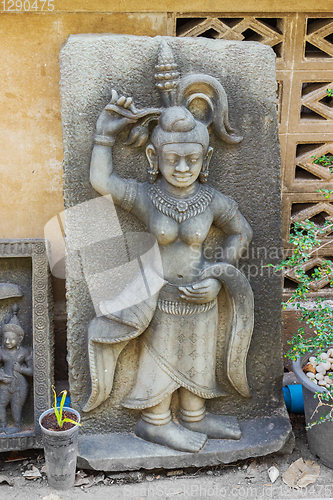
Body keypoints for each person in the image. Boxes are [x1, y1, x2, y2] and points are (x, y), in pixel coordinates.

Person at [84, 41, 254, 453]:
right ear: (152, 155)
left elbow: (241, 232)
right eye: (171, 160)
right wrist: (103, 137)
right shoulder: (145, 196)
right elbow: (102, 183)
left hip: (202, 297)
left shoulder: (213, 200)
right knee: (159, 363)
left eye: (191, 161)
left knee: (198, 361)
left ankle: (195, 415)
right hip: (157, 298)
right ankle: (154, 421)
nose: (181, 169)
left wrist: (219, 275)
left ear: (206, 157)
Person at [0, 305, 33, 434]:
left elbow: (32, 372)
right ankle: (3, 425)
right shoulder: (2, 352)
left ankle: (18, 426)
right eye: (6, 338)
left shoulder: (24, 352)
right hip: (5, 383)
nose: (8, 341)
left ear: (19, 339)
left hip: (20, 385)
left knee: (16, 406)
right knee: (0, 405)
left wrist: (21, 370)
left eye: (11, 339)